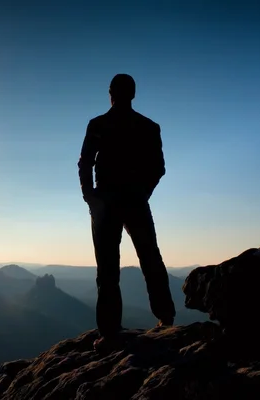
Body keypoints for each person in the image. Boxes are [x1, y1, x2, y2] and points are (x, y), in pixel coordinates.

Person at [77, 73, 176, 351]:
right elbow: (158, 168)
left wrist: (91, 197)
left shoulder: (98, 124)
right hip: (131, 200)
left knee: (108, 268)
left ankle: (109, 332)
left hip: (108, 202)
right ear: (133, 94)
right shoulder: (147, 126)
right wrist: (141, 193)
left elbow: (85, 163)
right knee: (150, 258)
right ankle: (165, 318)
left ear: (110, 92)